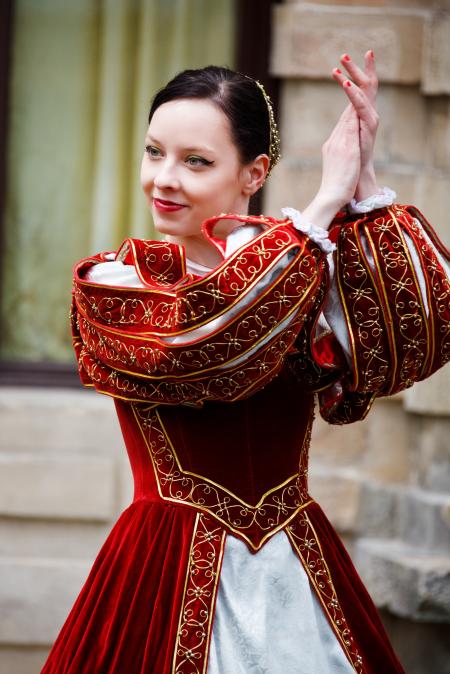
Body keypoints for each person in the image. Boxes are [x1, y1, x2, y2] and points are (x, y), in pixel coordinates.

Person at [41, 52, 449, 674]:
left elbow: (416, 336)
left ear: (253, 173)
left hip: (299, 561)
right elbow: (209, 341)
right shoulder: (116, 283)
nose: (164, 179)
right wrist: (316, 215)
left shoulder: (298, 269)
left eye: (196, 161)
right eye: (154, 152)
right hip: (166, 570)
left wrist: (362, 185)